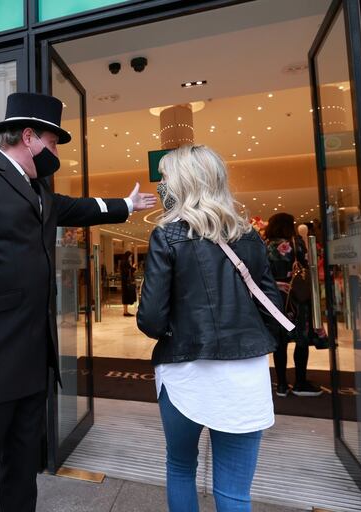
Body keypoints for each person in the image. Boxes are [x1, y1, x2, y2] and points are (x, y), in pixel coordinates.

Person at [0, 92, 157, 512]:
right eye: (53, 144)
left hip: (33, 364)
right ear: (28, 136)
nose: (56, 155)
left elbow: (78, 208)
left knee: (22, 473)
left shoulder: (38, 190)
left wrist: (126, 204)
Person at [138, 144, 284, 512]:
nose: (162, 185)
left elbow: (151, 319)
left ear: (184, 182)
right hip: (245, 375)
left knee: (181, 467)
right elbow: (272, 309)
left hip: (185, 372)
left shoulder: (167, 235)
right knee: (234, 493)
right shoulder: (250, 237)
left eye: (167, 177)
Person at [264, 212, 323, 397]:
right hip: (297, 297)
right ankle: (300, 382)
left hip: (276, 299)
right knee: (301, 340)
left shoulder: (265, 245)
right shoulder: (296, 242)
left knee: (280, 342)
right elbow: (308, 264)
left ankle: (281, 385)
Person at [120, 250, 137, 316]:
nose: (130, 258)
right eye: (130, 256)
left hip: (124, 282)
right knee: (126, 296)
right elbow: (128, 272)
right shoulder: (125, 262)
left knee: (125, 296)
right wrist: (133, 267)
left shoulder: (123, 262)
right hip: (127, 282)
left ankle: (125, 311)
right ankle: (125, 312)